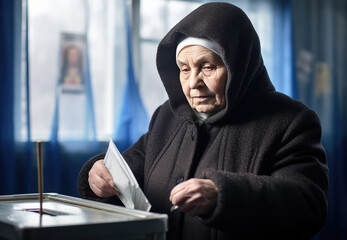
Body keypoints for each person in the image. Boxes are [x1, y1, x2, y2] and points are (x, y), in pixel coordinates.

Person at [78, 2, 328, 239]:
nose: (193, 83)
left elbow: (307, 206)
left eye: (207, 67)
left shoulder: (290, 121)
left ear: (239, 65)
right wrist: (97, 175)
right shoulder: (167, 116)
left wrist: (223, 196)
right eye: (184, 69)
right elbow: (128, 171)